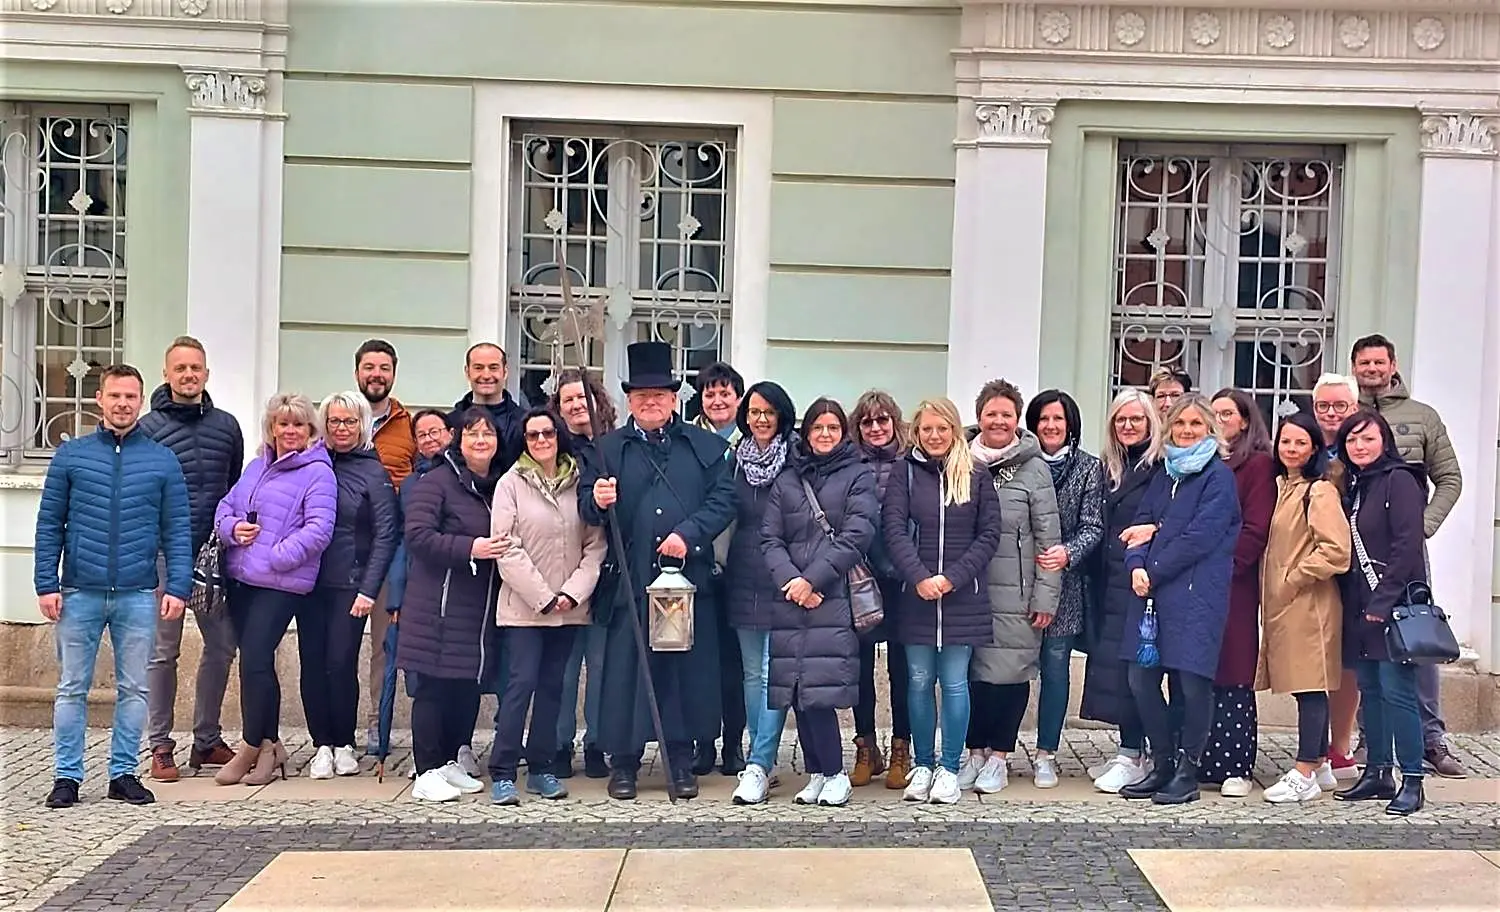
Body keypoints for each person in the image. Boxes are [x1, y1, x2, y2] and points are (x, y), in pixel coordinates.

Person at [580, 341, 737, 801]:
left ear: (674, 399)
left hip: (685, 583)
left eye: (660, 395)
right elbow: (587, 505)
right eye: (641, 396)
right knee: (626, 673)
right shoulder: (607, 450)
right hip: (630, 578)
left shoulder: (702, 447)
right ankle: (624, 765)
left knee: (683, 673)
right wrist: (599, 500)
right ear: (629, 401)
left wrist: (688, 534)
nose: (651, 402)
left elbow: (724, 500)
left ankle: (680, 762)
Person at [36, 364, 192, 809]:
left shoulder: (162, 460)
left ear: (140, 402)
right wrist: (47, 582)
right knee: (71, 687)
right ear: (99, 400)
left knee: (135, 688)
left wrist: (177, 586)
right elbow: (50, 523)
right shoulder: (72, 456)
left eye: (130, 397)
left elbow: (177, 530)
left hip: (138, 592)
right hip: (79, 590)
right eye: (115, 396)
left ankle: (122, 772)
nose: (123, 404)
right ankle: (67, 776)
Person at [1350, 334, 1465, 778]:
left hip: (1405, 552)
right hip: (1360, 551)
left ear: (1393, 364)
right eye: (1364, 363)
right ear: (1355, 366)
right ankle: (1371, 742)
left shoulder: (1422, 417)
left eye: (1379, 362)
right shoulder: (1349, 414)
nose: (1372, 369)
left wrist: (1422, 528)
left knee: (1416, 639)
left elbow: (1449, 478)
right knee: (1368, 644)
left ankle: (1431, 738)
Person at [1118, 394, 1241, 805]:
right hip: (1151, 596)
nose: (1186, 431)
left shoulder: (1218, 478)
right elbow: (1138, 526)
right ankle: (1163, 763)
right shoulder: (1164, 475)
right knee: (1141, 678)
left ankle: (1188, 771)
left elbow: (1198, 538)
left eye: (1195, 423)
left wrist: (1154, 552)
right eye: (1179, 424)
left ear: (1211, 429)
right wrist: (1137, 563)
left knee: (1190, 683)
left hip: (1194, 597)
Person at [212, 393, 337, 787]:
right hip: (242, 577)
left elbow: (320, 529)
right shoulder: (256, 466)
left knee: (255, 657)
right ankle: (270, 746)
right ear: (272, 428)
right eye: (283, 423)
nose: (290, 431)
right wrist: (232, 529)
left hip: (282, 581)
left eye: (298, 424)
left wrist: (277, 556)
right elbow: (225, 507)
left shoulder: (318, 472)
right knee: (255, 663)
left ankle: (251, 745)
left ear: (310, 430)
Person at [881, 397, 1001, 805]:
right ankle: (923, 764)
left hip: (961, 595)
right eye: (927, 429)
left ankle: (949, 768)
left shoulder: (977, 475)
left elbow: (988, 535)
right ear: (917, 432)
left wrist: (953, 577)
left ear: (954, 430)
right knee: (917, 681)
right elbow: (893, 530)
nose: (934, 436)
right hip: (916, 596)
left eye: (942, 428)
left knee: (954, 682)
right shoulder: (904, 473)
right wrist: (918, 577)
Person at [761, 398, 878, 807]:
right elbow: (770, 538)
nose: (824, 434)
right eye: (817, 428)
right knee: (795, 688)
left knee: (820, 688)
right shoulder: (788, 480)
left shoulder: (858, 475)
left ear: (842, 432)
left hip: (832, 595)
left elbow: (857, 536)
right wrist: (791, 580)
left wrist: (812, 580)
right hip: (791, 596)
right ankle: (816, 772)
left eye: (832, 427)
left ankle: (835, 772)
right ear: (806, 433)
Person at [139, 337, 244, 782]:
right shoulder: (147, 429)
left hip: (212, 555)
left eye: (195, 368)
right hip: (164, 554)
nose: (188, 375)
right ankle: (160, 745)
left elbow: (233, 485)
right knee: (164, 651)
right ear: (167, 374)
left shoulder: (227, 426)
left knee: (222, 646)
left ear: (206, 373)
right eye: (179, 368)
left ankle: (206, 740)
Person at [489, 408, 607, 804]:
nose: (541, 441)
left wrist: (572, 594)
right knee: (520, 686)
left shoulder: (579, 483)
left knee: (554, 690)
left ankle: (541, 767)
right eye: (533, 435)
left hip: (569, 607)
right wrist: (543, 597)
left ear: (559, 437)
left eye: (547, 434)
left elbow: (595, 546)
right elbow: (505, 546)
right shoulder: (510, 484)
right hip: (525, 608)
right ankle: (503, 770)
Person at [399, 408, 507, 802]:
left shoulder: (494, 485)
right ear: (457, 440)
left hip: (475, 608)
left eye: (488, 434)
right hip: (437, 606)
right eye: (472, 434)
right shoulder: (438, 482)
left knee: (463, 687)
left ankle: (448, 761)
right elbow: (418, 536)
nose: (481, 441)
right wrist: (470, 548)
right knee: (431, 688)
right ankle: (426, 769)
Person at [962, 380, 1061, 795]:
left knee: (1012, 675)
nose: (998, 421)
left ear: (1017, 420)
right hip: (970, 590)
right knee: (972, 677)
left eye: (1006, 414)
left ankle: (1000, 756)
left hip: (1018, 594)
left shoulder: (1034, 468)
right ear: (979, 416)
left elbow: (1048, 536)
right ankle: (975, 752)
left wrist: (1045, 595)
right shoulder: (961, 461)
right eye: (991, 413)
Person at [1332, 409, 1431, 815]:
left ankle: (1412, 779)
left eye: (1367, 439)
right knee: (1370, 693)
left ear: (1384, 441)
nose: (1359, 447)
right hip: (1360, 607)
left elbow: (1407, 547)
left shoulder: (1400, 480)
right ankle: (1377, 772)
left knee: (1398, 694)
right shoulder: (1358, 485)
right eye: (1352, 440)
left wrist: (1383, 602)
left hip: (1393, 606)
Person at [301, 392, 399, 780]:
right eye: (335, 422)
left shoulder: (373, 471)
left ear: (363, 426)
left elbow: (385, 535)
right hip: (307, 581)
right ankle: (320, 744)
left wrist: (369, 589)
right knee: (312, 664)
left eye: (350, 422)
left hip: (352, 582)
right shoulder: (311, 462)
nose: (342, 429)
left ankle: (344, 741)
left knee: (340, 662)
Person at [1257, 411, 1351, 803]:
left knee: (1310, 686)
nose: (1291, 449)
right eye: (1285, 441)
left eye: (1300, 442)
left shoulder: (1319, 490)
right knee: (1304, 685)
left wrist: (1294, 576)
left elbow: (1337, 551)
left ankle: (1305, 770)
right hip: (1287, 604)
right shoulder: (1283, 486)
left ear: (1314, 447)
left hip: (1309, 603)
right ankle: (1323, 766)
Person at [1080, 389, 1162, 794]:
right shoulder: (1108, 468)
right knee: (1117, 669)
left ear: (1150, 424)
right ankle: (1131, 749)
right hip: (1109, 582)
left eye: (1136, 420)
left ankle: (1135, 753)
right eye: (1121, 420)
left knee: (1137, 671)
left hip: (1143, 582)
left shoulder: (1160, 467)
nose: (1128, 426)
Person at [1198, 388, 1276, 798]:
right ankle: (1200, 758)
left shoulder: (1257, 465)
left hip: (1235, 583)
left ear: (1245, 420)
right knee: (1199, 669)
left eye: (1227, 413)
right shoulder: (1204, 462)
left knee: (1233, 668)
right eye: (1215, 413)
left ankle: (1236, 765)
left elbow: (1255, 528)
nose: (1221, 419)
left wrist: (1226, 568)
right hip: (1196, 582)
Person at [383, 409, 470, 775]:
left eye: (437, 431)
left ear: (451, 434)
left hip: (466, 589)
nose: (431, 439)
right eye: (423, 434)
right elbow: (407, 540)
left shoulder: (472, 477)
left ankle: (457, 750)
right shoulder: (414, 485)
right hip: (425, 589)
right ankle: (428, 762)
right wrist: (396, 597)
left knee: (462, 677)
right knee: (425, 680)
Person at [725, 381, 800, 806]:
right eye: (753, 411)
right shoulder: (735, 460)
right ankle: (762, 760)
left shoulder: (797, 459)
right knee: (753, 672)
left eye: (768, 412)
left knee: (775, 672)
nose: (760, 419)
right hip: (742, 572)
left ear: (781, 415)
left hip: (783, 573)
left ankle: (759, 760)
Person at [1025, 389, 1105, 788]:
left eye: (1058, 419)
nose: (1051, 426)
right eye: (1043, 420)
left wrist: (1067, 552)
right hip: (1020, 584)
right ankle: (994, 750)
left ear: (1070, 424)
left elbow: (1094, 525)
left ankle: (1046, 753)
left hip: (1066, 586)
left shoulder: (1090, 468)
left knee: (1055, 669)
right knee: (1013, 669)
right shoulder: (1019, 463)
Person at [549, 369, 616, 779]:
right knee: (565, 667)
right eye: (567, 400)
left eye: (582, 397)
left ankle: (598, 743)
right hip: (565, 570)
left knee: (603, 666)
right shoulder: (553, 450)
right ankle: (559, 743)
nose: (576, 405)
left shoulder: (614, 446)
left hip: (608, 571)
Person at [354, 338, 416, 753]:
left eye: (384, 368)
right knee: (337, 650)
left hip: (389, 547)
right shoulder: (338, 419)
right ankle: (337, 733)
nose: (376, 374)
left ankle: (379, 725)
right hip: (342, 549)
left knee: (383, 644)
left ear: (393, 373)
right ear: (357, 371)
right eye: (369, 367)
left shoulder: (408, 424)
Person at [848, 390, 912, 789]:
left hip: (903, 576)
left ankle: (902, 746)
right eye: (868, 421)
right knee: (859, 667)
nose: (875, 428)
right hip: (858, 576)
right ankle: (866, 746)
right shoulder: (847, 464)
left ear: (895, 422)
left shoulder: (910, 463)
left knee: (902, 667)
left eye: (883, 420)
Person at [691, 360, 749, 777]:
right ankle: (702, 742)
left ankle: (733, 744)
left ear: (738, 399)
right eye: (710, 393)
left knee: (736, 666)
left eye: (725, 392)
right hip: (698, 566)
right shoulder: (688, 440)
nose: (717, 399)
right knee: (700, 665)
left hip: (744, 570)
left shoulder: (752, 443)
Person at [1312, 372, 1361, 777]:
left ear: (1355, 408)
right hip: (1313, 562)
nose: (1331, 413)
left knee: (1348, 657)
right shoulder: (1305, 445)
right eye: (1323, 406)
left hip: (1357, 565)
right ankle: (1312, 740)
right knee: (1315, 652)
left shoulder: (1363, 447)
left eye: (1339, 405)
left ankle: (1340, 745)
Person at [454, 342, 526, 475]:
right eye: (478, 368)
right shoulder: (452, 422)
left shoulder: (524, 424)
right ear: (467, 372)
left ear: (505, 372)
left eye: (493, 368)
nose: (486, 375)